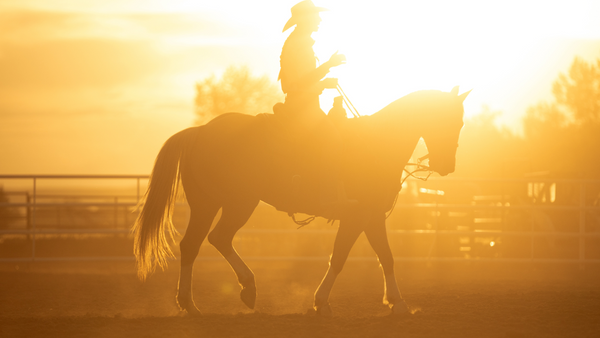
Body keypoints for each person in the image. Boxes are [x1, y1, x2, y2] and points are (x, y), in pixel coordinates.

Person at [277, 0, 355, 213]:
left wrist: (322, 82)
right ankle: (328, 197)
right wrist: (328, 67)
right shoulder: (298, 45)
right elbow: (300, 83)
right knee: (333, 141)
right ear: (306, 20)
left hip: (302, 104)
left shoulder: (298, 43)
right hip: (303, 108)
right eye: (316, 16)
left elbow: (299, 81)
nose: (319, 20)